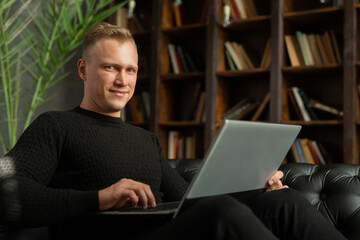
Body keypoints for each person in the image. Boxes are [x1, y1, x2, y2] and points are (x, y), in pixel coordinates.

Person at [0, 22, 346, 240]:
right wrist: (100, 197)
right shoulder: (55, 125)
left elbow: (186, 201)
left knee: (283, 200)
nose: (123, 80)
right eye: (110, 68)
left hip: (164, 228)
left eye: (131, 70)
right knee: (219, 214)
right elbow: (8, 195)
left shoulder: (144, 140)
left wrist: (252, 187)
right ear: (83, 69)